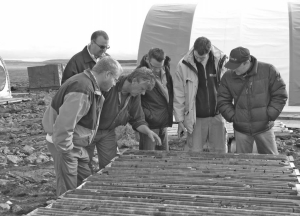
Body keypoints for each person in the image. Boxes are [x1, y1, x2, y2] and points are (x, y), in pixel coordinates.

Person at [42, 57, 122, 196]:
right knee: (68, 190)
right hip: (66, 145)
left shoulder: (88, 85)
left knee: (84, 181)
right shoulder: (83, 88)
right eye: (115, 79)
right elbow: (64, 125)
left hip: (75, 145)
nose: (114, 84)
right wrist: (66, 150)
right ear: (107, 74)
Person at [86, 67, 162, 171]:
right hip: (89, 129)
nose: (143, 93)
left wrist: (148, 131)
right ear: (134, 80)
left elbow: (137, 118)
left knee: (110, 167)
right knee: (83, 165)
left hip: (108, 132)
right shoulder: (110, 85)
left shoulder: (134, 95)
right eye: (142, 88)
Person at [217, 46, 288, 154]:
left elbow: (280, 94)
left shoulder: (268, 70)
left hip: (264, 127)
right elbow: (222, 99)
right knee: (243, 163)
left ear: (246, 62)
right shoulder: (228, 76)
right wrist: (233, 116)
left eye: (236, 66)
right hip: (241, 129)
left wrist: (269, 115)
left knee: (271, 160)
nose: (233, 69)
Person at [173, 37, 228, 153]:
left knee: (220, 152)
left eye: (201, 58)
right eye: (196, 56)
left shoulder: (221, 61)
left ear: (209, 52)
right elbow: (178, 94)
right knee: (194, 151)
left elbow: (229, 87)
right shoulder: (183, 65)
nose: (198, 59)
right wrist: (180, 119)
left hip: (217, 116)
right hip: (195, 118)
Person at [137, 48, 173, 151]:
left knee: (164, 159)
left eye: (159, 67)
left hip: (163, 123)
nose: (156, 70)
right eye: (153, 66)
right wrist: (148, 116)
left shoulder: (166, 68)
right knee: (148, 159)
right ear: (148, 59)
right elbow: (136, 102)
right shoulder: (140, 73)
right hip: (150, 124)